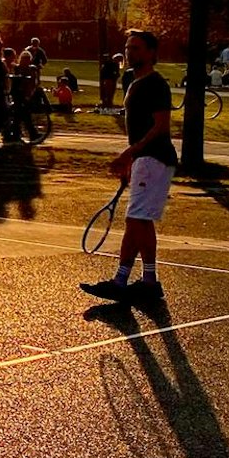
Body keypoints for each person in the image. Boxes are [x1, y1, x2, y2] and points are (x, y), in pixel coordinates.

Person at [81, 29, 177, 305]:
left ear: (150, 53)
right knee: (138, 221)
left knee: (138, 221)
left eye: (136, 48)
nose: (129, 52)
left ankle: (132, 281)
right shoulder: (131, 81)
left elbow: (161, 127)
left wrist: (129, 153)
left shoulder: (156, 84)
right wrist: (132, 161)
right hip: (144, 161)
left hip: (155, 159)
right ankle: (138, 281)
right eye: (127, 47)